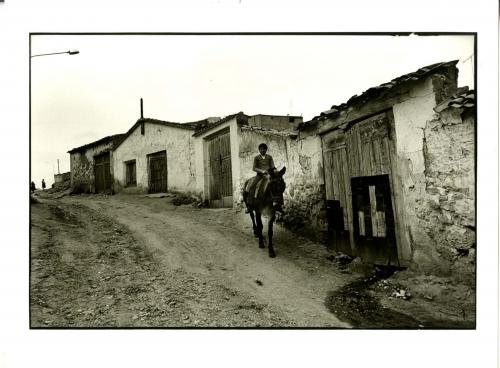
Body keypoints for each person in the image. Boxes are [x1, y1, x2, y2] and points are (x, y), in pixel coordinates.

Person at [246, 143, 284, 213]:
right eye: (261, 149)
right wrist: (262, 171)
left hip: (269, 175)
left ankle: (279, 205)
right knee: (251, 187)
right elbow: (254, 168)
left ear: (266, 150)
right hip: (259, 176)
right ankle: (249, 206)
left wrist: (275, 171)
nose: (262, 150)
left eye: (264, 149)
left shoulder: (269, 157)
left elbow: (273, 166)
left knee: (277, 186)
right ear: (259, 150)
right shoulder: (256, 158)